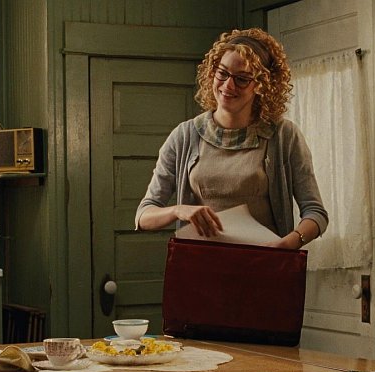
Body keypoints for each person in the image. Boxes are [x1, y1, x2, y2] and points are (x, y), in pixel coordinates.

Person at [136, 28, 328, 249]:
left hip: (263, 262)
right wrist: (178, 210)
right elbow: (143, 215)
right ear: (212, 72)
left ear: (261, 85)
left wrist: (289, 243)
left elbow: (316, 212)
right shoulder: (185, 136)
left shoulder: (284, 136)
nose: (228, 85)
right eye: (223, 73)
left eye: (242, 79)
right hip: (200, 264)